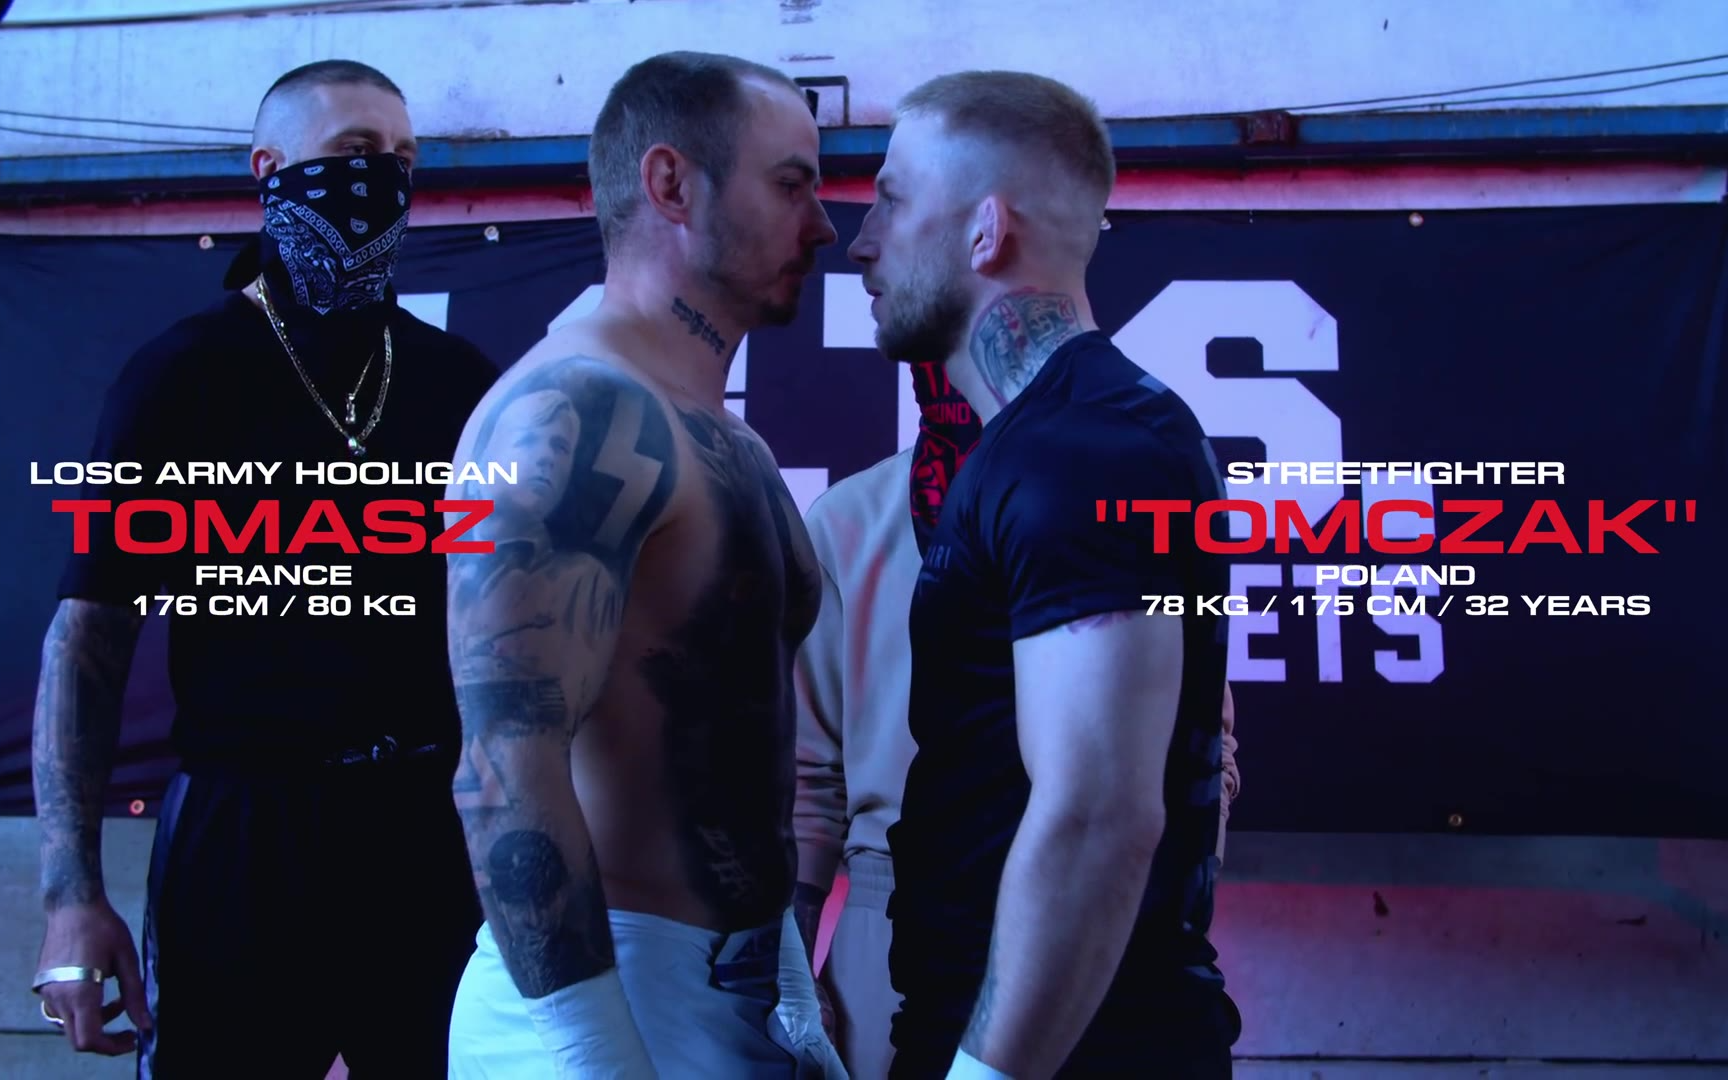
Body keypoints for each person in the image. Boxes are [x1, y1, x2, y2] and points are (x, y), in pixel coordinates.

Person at [30, 59, 497, 1077]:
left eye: (404, 158)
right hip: (244, 831)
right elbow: (90, 638)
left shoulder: (456, 381)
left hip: (426, 830)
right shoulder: (183, 376)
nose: (383, 178)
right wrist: (70, 895)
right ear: (269, 168)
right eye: (355, 152)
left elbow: (517, 634)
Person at [441, 51, 846, 1079]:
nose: (823, 225)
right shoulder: (566, 410)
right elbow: (502, 766)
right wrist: (593, 1053)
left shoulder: (727, 438)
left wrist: (788, 990)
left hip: (731, 989)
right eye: (790, 184)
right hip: (592, 1000)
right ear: (671, 183)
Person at [847, 70, 1242, 1078]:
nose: (860, 243)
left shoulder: (1085, 450)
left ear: (985, 232)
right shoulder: (1053, 440)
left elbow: (1100, 817)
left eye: (891, 202)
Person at [794, 368, 1242, 1080]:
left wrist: (1173, 910)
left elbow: (1207, 742)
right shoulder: (848, 520)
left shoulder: (1123, 492)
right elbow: (807, 780)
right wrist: (792, 972)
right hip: (892, 915)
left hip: (1110, 909)